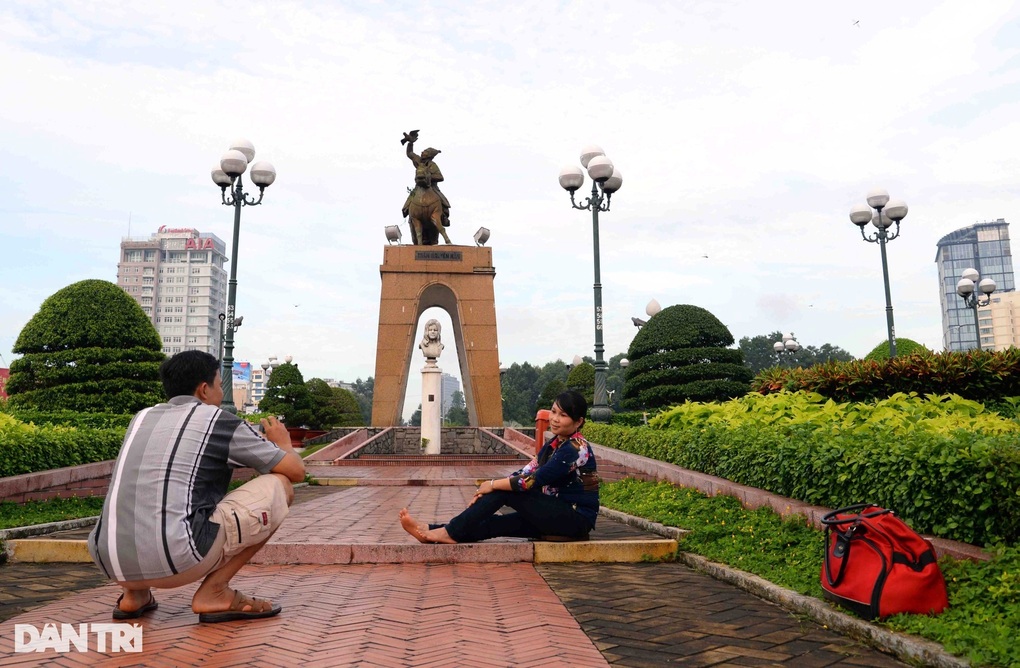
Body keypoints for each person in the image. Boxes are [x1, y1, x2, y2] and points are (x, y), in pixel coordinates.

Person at [87, 350, 306, 623]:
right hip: (182, 559)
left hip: (109, 561)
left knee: (147, 491)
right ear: (204, 389)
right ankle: (214, 591)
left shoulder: (141, 418)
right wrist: (283, 444)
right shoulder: (219, 420)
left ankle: (134, 596)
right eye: (219, 385)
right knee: (281, 485)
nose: (220, 393)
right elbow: (296, 471)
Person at [399, 390, 599, 543]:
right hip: (552, 515)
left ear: (578, 421)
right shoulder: (555, 444)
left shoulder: (576, 448)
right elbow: (526, 471)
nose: (555, 419)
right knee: (495, 524)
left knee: (506, 490)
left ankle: (447, 532)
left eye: (563, 415)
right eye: (554, 412)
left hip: (574, 520)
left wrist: (493, 485)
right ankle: (432, 530)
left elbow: (532, 481)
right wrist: (487, 489)